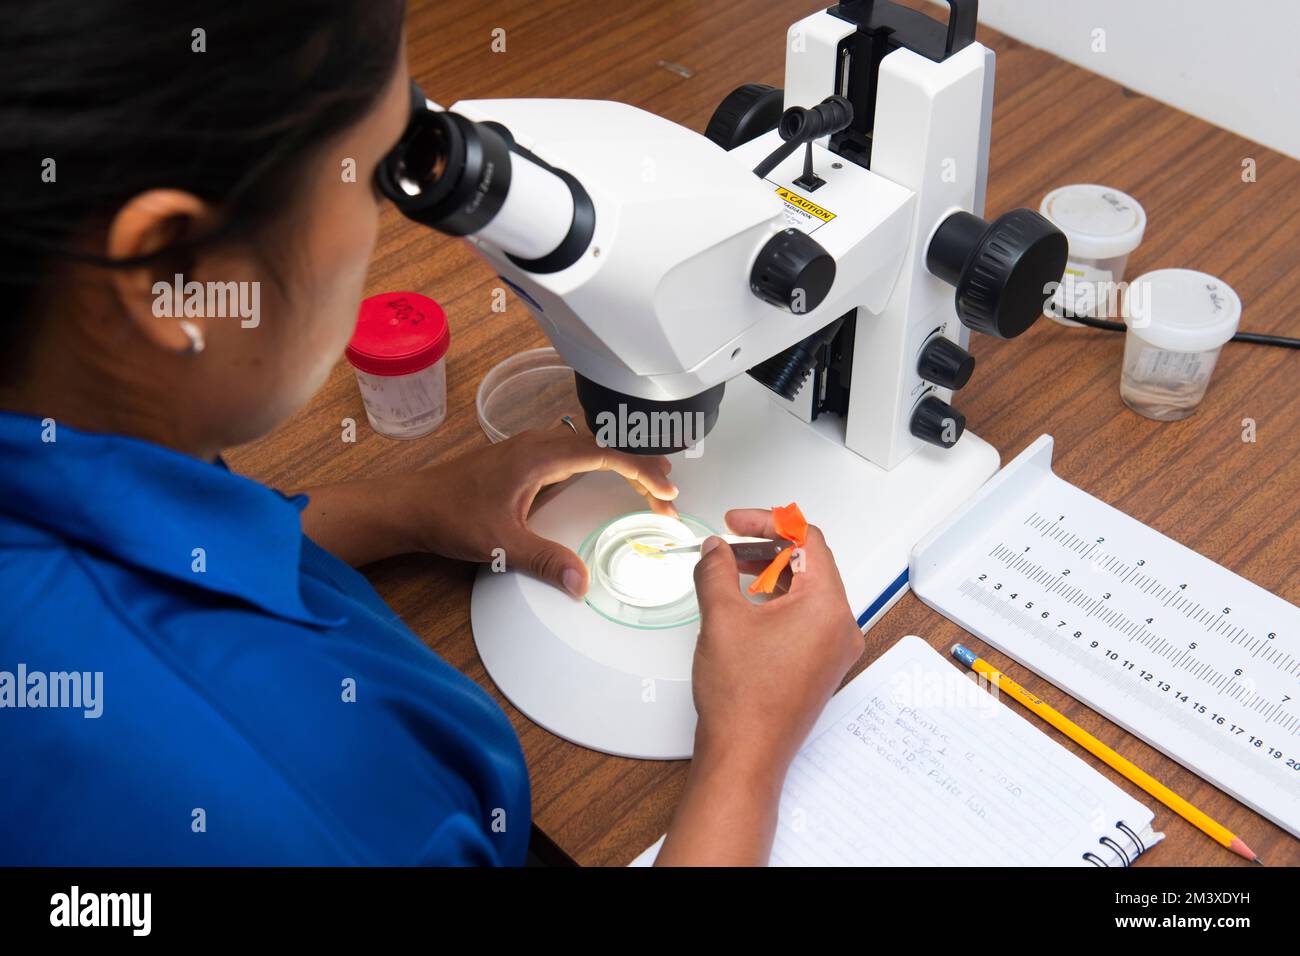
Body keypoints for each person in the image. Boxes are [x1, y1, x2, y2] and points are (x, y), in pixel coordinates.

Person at [0, 0, 864, 866]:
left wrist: (405, 507)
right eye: (376, 175)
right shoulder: (302, 806)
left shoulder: (60, 431)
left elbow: (149, 558)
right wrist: (749, 746)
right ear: (174, 274)